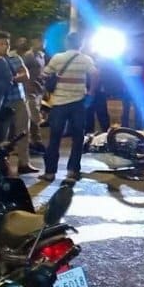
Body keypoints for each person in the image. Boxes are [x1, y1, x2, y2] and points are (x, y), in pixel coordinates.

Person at [39, 32, 99, 182]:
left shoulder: (58, 58)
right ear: (81, 44)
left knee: (55, 138)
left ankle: (50, 172)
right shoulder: (86, 59)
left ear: (67, 43)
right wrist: (91, 92)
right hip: (78, 103)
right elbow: (95, 74)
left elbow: (44, 75)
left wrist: (56, 78)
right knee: (78, 138)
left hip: (59, 104)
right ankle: (72, 171)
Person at [6, 37, 39, 174]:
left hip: (18, 99)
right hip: (1, 102)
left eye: (7, 43)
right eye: (1, 43)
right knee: (2, 135)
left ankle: (24, 163)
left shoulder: (15, 58)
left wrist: (11, 79)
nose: (5, 47)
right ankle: (1, 164)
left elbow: (25, 75)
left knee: (23, 131)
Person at [23, 37, 47, 154]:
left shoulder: (41, 56)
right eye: (40, 41)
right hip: (29, 90)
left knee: (35, 116)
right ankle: (32, 142)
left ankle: (35, 142)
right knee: (33, 116)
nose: (42, 44)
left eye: (44, 41)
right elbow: (22, 71)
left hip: (39, 90)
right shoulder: (28, 56)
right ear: (34, 42)